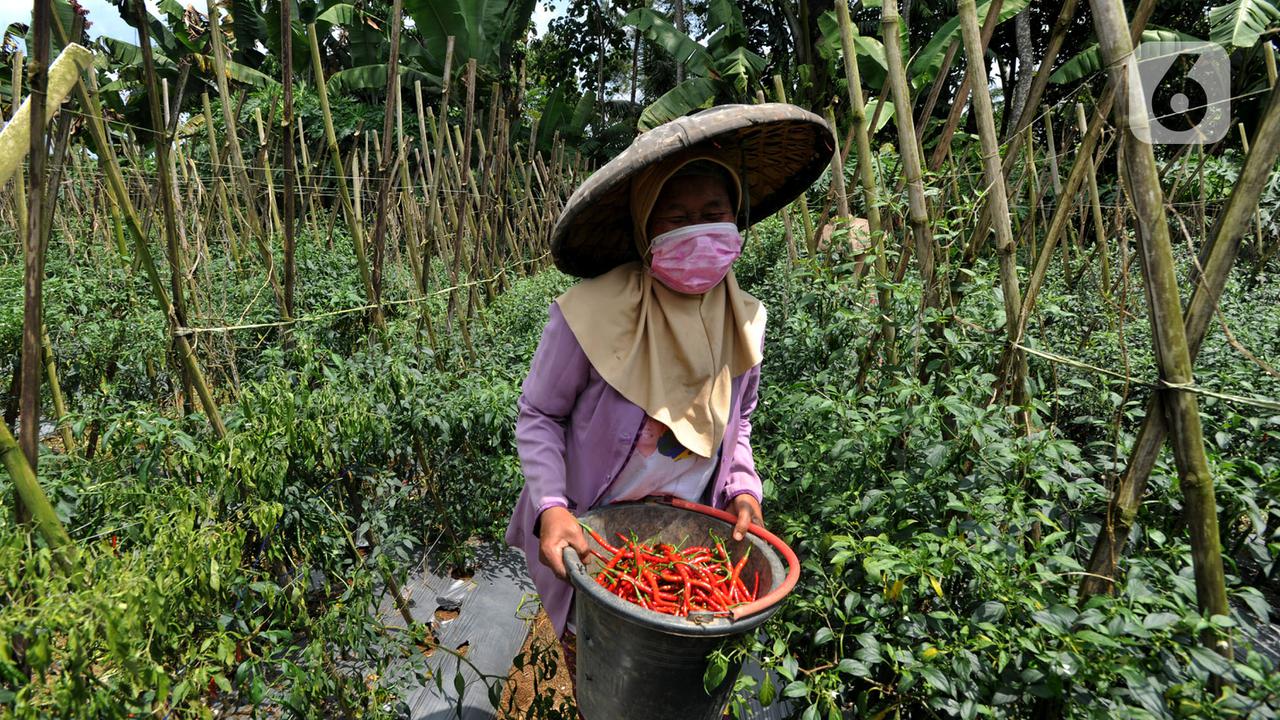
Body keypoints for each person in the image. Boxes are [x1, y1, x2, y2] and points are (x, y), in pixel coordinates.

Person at [503, 104, 834, 693]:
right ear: (643, 229)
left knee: (669, 672)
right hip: (593, 534)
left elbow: (741, 425)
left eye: (714, 214)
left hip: (683, 541)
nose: (698, 229)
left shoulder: (745, 322)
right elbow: (540, 414)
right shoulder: (589, 316)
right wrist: (552, 505)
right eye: (675, 217)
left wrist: (741, 490)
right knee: (602, 667)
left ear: (739, 221)